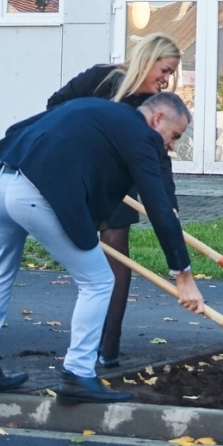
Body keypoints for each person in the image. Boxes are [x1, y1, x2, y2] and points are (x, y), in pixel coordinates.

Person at [0, 91, 205, 405]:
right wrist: (183, 278)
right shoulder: (143, 136)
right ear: (158, 119)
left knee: (1, 271)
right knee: (99, 281)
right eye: (174, 136)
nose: (170, 145)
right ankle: (78, 374)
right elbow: (157, 206)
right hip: (34, 193)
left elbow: (16, 130)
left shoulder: (94, 108)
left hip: (0, 178)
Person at [46, 33, 183, 366]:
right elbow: (55, 105)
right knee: (88, 258)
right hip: (81, 173)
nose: (165, 80)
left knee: (116, 242)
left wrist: (169, 201)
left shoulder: (152, 105)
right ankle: (86, 342)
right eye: (164, 70)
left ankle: (109, 344)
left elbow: (159, 154)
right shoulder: (102, 78)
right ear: (148, 60)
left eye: (171, 74)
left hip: (120, 181)